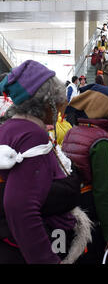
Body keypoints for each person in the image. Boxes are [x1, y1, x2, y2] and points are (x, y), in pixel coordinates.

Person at [0, 60, 91, 264]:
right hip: (33, 245)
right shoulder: (32, 135)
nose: (60, 106)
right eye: (58, 101)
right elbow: (20, 207)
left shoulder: (10, 127)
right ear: (48, 101)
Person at [63, 84, 108, 263]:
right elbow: (103, 191)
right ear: (106, 109)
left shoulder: (72, 131)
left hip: (73, 208)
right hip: (92, 215)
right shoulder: (101, 141)